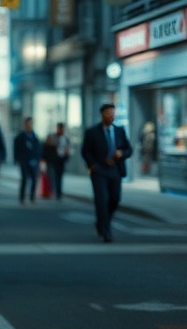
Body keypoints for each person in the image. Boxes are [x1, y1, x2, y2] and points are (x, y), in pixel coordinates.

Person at [81, 104, 133, 243]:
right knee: (101, 200)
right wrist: (92, 165)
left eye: (113, 114)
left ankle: (102, 222)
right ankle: (106, 230)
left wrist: (121, 153)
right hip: (99, 170)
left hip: (115, 170)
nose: (111, 116)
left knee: (115, 199)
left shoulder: (119, 131)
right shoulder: (92, 132)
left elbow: (129, 150)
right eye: (108, 114)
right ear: (102, 115)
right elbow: (85, 151)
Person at [13, 117, 42, 204]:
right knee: (24, 179)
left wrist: (38, 160)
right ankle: (22, 197)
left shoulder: (35, 137)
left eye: (30, 124)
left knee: (34, 180)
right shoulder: (20, 137)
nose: (29, 126)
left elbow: (39, 149)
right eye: (27, 124)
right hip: (24, 161)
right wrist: (17, 159)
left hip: (34, 161)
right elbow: (16, 149)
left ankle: (32, 197)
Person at [43, 122, 71, 200]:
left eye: (62, 129)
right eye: (60, 128)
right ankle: (52, 190)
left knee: (59, 177)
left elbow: (68, 150)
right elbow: (46, 147)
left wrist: (66, 155)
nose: (61, 130)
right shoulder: (52, 137)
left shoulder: (65, 138)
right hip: (52, 160)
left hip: (61, 161)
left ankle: (58, 193)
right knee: (52, 176)